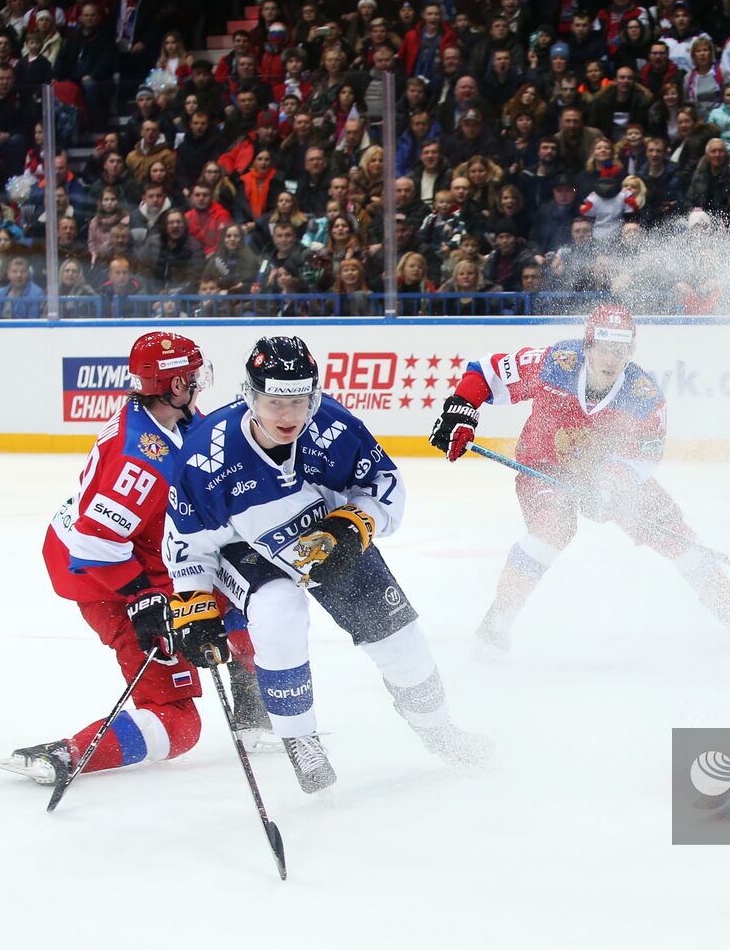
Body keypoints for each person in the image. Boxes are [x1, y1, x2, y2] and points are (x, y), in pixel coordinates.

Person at [165, 336, 490, 794]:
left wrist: (355, 523)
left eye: (298, 401)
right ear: (249, 396)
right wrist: (195, 600)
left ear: (313, 396)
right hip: (247, 548)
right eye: (274, 401)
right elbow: (186, 542)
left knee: (400, 640)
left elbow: (386, 484)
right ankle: (300, 738)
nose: (287, 416)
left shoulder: (333, 428)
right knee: (279, 611)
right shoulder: (206, 455)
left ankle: (439, 730)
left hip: (325, 539)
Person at [0, 333, 267, 791]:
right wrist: (141, 598)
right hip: (106, 579)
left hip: (143, 558)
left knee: (241, 592)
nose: (200, 384)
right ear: (175, 386)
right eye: (194, 376)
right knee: (180, 724)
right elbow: (94, 542)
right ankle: (67, 754)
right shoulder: (137, 459)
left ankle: (255, 715)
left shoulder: (172, 418)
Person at [429, 306, 730, 652]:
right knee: (554, 526)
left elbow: (644, 456)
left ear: (631, 352)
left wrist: (609, 487)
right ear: (588, 346)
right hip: (546, 466)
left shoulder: (644, 397)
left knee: (673, 531)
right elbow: (486, 372)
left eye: (621, 350)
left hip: (609, 474)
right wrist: (462, 409)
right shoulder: (555, 364)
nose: (612, 358)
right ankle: (497, 621)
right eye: (605, 348)